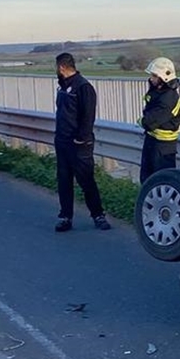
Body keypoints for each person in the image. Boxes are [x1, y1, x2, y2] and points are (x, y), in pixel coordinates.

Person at [53, 52, 110, 233]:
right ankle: (65, 217)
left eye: (57, 67)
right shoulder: (63, 86)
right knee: (64, 180)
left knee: (86, 180)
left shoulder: (83, 87)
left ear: (62, 67)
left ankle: (98, 215)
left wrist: (81, 138)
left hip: (79, 144)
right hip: (62, 141)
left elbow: (88, 116)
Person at [140, 57, 180, 183]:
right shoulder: (158, 92)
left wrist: (143, 121)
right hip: (152, 141)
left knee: (161, 181)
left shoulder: (169, 98)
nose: (151, 79)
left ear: (164, 77)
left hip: (163, 147)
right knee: (147, 179)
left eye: (154, 76)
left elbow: (150, 121)